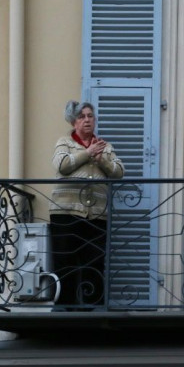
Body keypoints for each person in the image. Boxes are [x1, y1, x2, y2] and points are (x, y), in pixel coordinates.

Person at [49, 100, 124, 309]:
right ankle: (65, 310)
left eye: (90, 116)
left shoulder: (105, 147)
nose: (87, 120)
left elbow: (119, 172)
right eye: (82, 116)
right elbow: (62, 165)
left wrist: (102, 160)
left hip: (97, 216)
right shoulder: (65, 142)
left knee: (96, 264)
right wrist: (88, 153)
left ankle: (94, 311)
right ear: (74, 122)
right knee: (65, 264)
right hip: (65, 213)